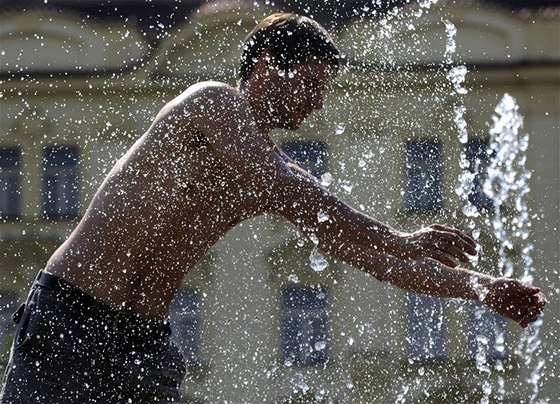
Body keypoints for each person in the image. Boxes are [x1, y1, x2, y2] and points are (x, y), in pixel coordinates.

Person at [1, 12, 545, 403]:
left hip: (143, 343)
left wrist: (481, 286)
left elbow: (370, 258)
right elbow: (290, 189)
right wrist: (397, 235)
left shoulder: (275, 171)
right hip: (72, 317)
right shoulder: (209, 104)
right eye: (309, 82)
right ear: (265, 67)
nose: (317, 100)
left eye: (323, 87)